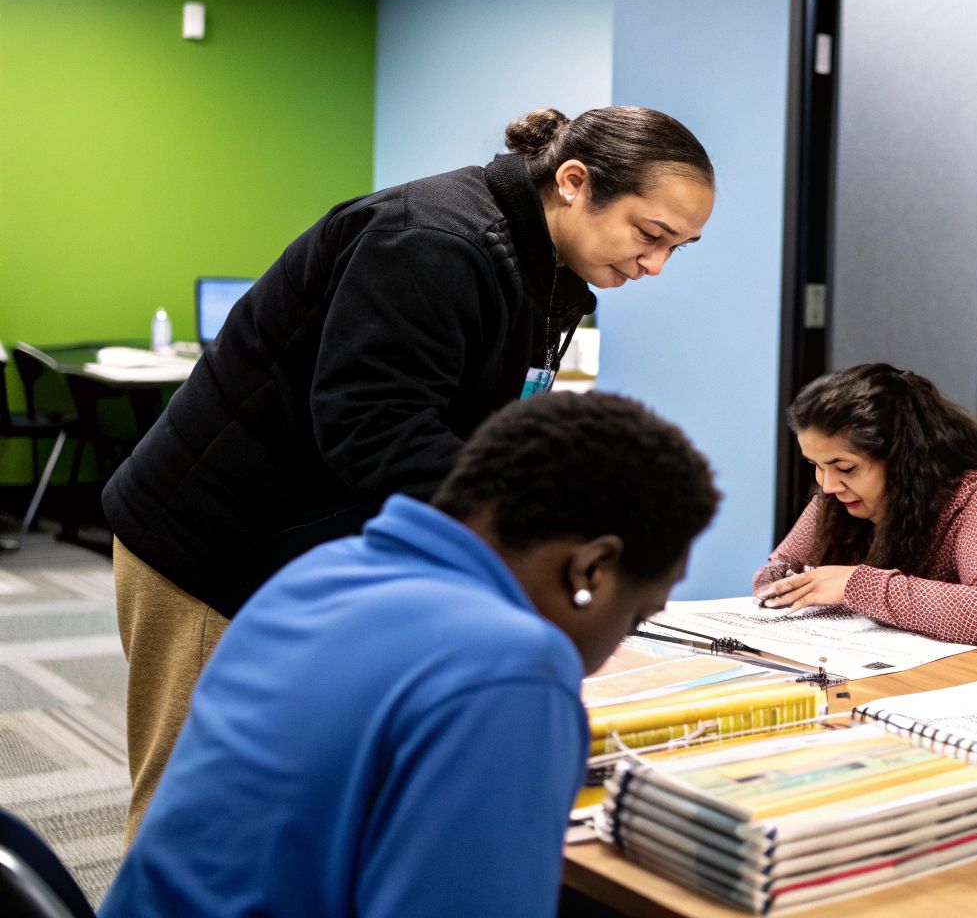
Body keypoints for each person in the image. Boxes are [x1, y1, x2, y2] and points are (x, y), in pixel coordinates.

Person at [101, 105, 715, 838]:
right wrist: (534, 529)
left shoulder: (542, 268)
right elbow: (373, 430)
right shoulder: (429, 240)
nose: (655, 266)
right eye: (650, 236)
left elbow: (478, 426)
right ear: (574, 182)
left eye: (679, 248)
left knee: (291, 803)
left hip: (316, 550)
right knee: (199, 813)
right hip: (221, 548)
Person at [100, 391, 719, 918]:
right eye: (637, 616)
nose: (614, 650)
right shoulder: (510, 668)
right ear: (593, 567)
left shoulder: (316, 574)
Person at [753, 363, 977, 651]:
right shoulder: (842, 498)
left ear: (903, 460)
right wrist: (779, 583)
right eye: (816, 465)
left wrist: (860, 586)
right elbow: (782, 566)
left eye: (845, 467)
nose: (827, 485)